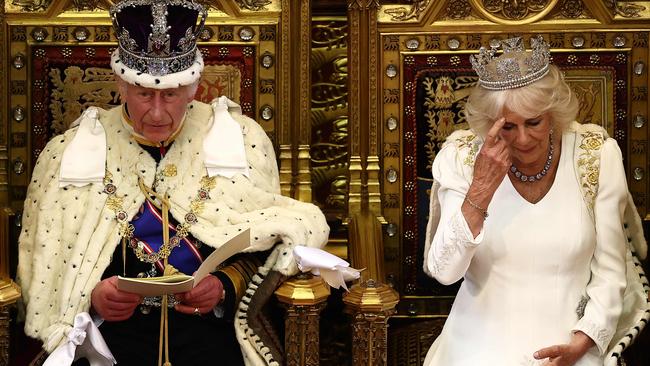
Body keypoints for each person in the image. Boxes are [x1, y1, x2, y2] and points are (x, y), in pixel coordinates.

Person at [17, 1, 329, 365]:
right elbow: (47, 264)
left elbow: (268, 241)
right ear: (120, 83)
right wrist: (92, 297)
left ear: (195, 87)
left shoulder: (240, 140)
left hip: (211, 339)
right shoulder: (68, 152)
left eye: (171, 94)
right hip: (107, 341)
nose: (157, 112)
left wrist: (225, 286)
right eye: (144, 94)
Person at [422, 36, 648, 366]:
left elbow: (611, 273)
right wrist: (481, 190)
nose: (523, 139)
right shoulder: (462, 159)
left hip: (571, 344)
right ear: (489, 125)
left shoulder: (596, 155)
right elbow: (445, 271)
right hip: (478, 347)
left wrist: (584, 340)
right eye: (508, 127)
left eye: (533, 122)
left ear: (552, 114)